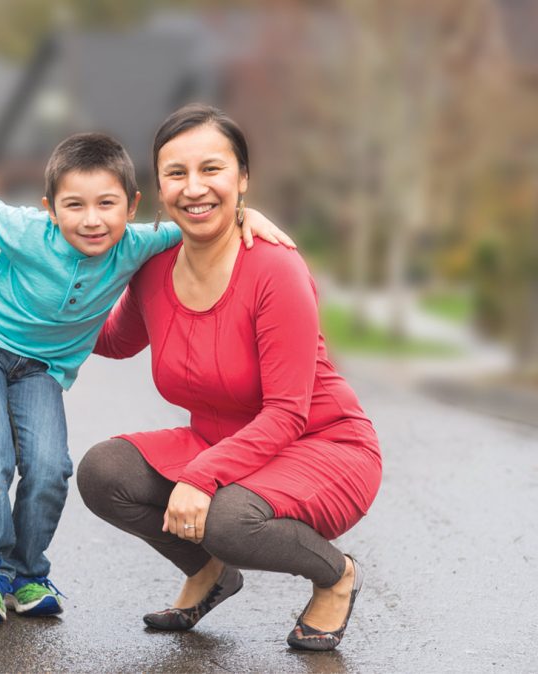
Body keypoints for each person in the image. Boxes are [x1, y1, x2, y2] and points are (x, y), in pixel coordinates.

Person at [0, 135, 291, 624]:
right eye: (74, 205)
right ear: (50, 209)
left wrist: (249, 215)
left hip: (42, 368)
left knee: (50, 466)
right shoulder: (28, 230)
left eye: (107, 204)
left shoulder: (138, 242)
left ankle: (27, 573)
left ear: (132, 205)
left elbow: (202, 223)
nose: (92, 219)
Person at [76, 103, 382, 651]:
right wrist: (25, 305)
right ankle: (211, 572)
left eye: (212, 169)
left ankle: (336, 577)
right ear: (161, 188)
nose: (195, 188)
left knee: (228, 519)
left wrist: (201, 477)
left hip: (321, 442)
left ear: (243, 179)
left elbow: (289, 411)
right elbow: (116, 339)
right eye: (177, 173)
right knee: (104, 471)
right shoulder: (155, 265)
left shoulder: (274, 269)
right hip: (224, 442)